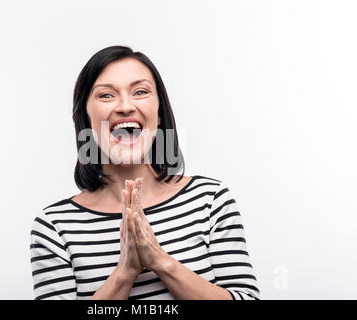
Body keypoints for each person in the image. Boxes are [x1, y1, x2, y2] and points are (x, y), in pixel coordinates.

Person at [29, 45, 260, 300]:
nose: (126, 106)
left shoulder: (210, 200)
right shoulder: (54, 226)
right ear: (86, 115)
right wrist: (125, 272)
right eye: (106, 95)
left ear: (159, 113)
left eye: (140, 92)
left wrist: (160, 261)